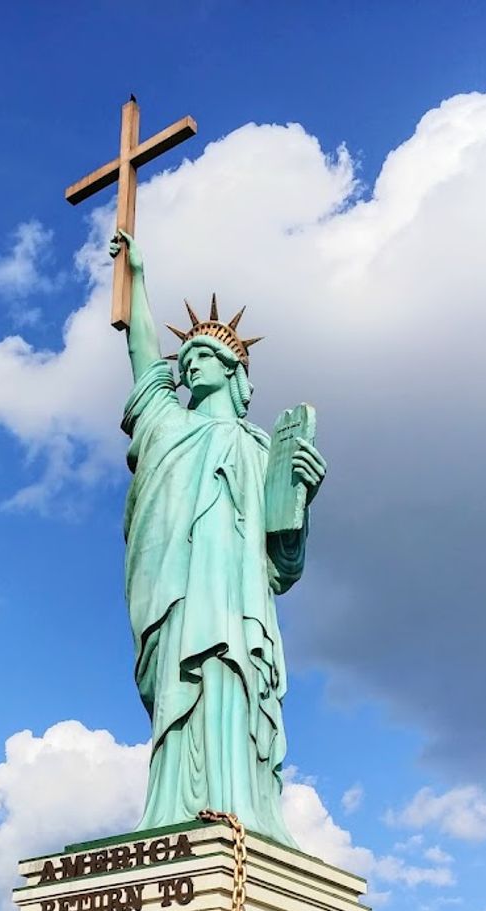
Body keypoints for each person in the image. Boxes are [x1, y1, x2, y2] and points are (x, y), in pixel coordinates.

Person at [111, 229, 326, 847]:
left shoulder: (263, 449)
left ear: (233, 370)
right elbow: (144, 354)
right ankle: (173, 809)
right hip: (176, 593)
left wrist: (301, 499)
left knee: (229, 677)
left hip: (235, 601)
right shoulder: (166, 425)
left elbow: (280, 563)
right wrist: (139, 278)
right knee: (182, 683)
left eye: (201, 357)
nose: (187, 365)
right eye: (186, 360)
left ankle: (242, 808)